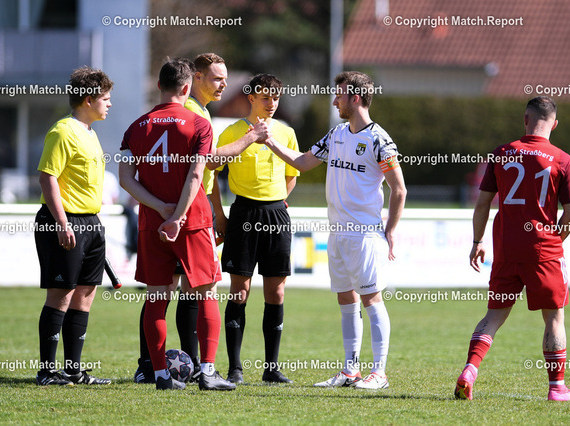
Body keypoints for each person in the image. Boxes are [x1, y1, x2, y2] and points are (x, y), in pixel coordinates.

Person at [133, 53, 271, 384]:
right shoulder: (193, 115)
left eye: (225, 78)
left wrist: (213, 211)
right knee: (198, 289)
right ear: (193, 80)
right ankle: (198, 367)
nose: (224, 84)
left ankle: (159, 367)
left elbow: (129, 176)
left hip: (162, 213)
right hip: (188, 213)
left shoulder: (151, 121)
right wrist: (250, 138)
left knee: (167, 291)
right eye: (217, 78)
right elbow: (206, 163)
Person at [263, 71, 406, 389]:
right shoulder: (337, 134)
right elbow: (302, 163)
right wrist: (269, 141)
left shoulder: (379, 139)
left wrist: (391, 230)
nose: (334, 101)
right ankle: (350, 370)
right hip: (337, 234)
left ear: (355, 98)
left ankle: (379, 373)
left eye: (339, 95)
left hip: (365, 234)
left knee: (371, 299)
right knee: (346, 299)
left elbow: (399, 190)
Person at [455, 96, 570, 401]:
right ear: (555, 124)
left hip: (506, 249)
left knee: (493, 316)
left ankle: (469, 370)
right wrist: (555, 241)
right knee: (554, 317)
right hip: (543, 250)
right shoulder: (563, 160)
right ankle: (557, 388)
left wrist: (477, 242)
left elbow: (482, 204)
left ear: (525, 119)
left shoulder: (502, 153)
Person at [119, 58, 235, 391]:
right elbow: (197, 175)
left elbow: (125, 179)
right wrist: (179, 217)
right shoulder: (198, 124)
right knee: (206, 292)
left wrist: (161, 209)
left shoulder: (136, 127)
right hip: (192, 221)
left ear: (159, 85)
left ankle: (159, 375)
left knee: (157, 298)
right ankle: (208, 373)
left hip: (152, 223)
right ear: (187, 87)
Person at [213, 73, 300, 384]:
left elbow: (292, 173)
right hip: (243, 214)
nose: (271, 103)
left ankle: (271, 368)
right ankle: (235, 368)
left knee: (276, 292)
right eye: (265, 97)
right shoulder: (232, 132)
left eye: (275, 97)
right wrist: (220, 215)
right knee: (240, 291)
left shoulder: (286, 133)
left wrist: (277, 202)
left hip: (276, 215)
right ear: (251, 98)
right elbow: (212, 173)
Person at [34, 66, 113, 386]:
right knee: (61, 295)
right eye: (105, 98)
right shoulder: (63, 131)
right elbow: (47, 177)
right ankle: (46, 372)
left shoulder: (90, 132)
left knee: (85, 295)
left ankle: (73, 370)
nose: (110, 104)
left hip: (90, 222)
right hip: (64, 221)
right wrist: (62, 223)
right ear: (88, 99)